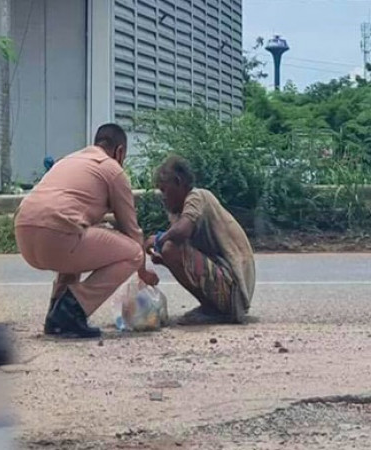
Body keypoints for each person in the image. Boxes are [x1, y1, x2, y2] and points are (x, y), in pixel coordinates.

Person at [14, 123, 159, 338]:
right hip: (57, 236)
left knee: (78, 232)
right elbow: (133, 231)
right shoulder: (112, 168)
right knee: (133, 253)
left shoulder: (69, 160)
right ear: (120, 152)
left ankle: (55, 314)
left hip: (24, 235)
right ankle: (71, 310)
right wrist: (143, 272)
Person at [145, 155, 256, 325]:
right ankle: (210, 308)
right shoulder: (178, 211)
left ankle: (215, 311)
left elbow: (182, 231)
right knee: (169, 252)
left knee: (169, 248)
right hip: (226, 285)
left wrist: (159, 238)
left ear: (178, 182)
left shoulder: (197, 196)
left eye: (164, 190)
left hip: (234, 290)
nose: (163, 197)